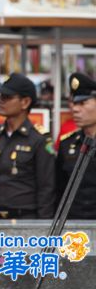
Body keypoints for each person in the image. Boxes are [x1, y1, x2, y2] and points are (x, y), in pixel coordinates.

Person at [0, 73, 56, 219]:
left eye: (7, 97)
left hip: (27, 219)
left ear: (25, 102)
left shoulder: (39, 139)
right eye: (0, 96)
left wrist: (43, 228)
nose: (1, 101)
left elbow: (46, 189)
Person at [56, 73, 96, 219]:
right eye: (74, 103)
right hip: (73, 226)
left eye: (83, 103)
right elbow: (59, 188)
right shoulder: (67, 143)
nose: (75, 109)